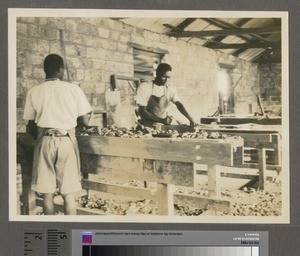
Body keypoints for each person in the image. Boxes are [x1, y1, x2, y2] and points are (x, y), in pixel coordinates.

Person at [23, 54, 92, 215]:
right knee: (68, 194)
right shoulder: (73, 89)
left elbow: (30, 126)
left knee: (47, 193)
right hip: (66, 141)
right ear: (60, 70)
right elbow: (84, 121)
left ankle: (50, 229)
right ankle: (71, 230)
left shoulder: (34, 91)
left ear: (44, 70)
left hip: (45, 141)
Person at [136, 63, 195, 129]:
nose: (166, 80)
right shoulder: (145, 87)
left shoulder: (169, 89)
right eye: (164, 77)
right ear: (157, 73)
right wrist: (161, 120)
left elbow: (179, 105)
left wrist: (190, 118)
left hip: (162, 127)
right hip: (146, 127)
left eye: (168, 77)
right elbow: (141, 111)